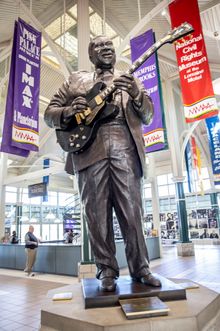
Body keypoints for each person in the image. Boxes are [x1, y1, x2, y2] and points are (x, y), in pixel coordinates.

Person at [44, 35, 161, 291]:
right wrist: (67, 112)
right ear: (90, 54)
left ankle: (140, 268)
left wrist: (135, 93)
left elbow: (149, 115)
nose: (106, 48)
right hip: (88, 148)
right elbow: (49, 114)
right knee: (96, 216)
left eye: (109, 45)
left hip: (125, 148)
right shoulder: (76, 80)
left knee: (132, 214)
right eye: (98, 45)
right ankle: (106, 270)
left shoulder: (130, 78)